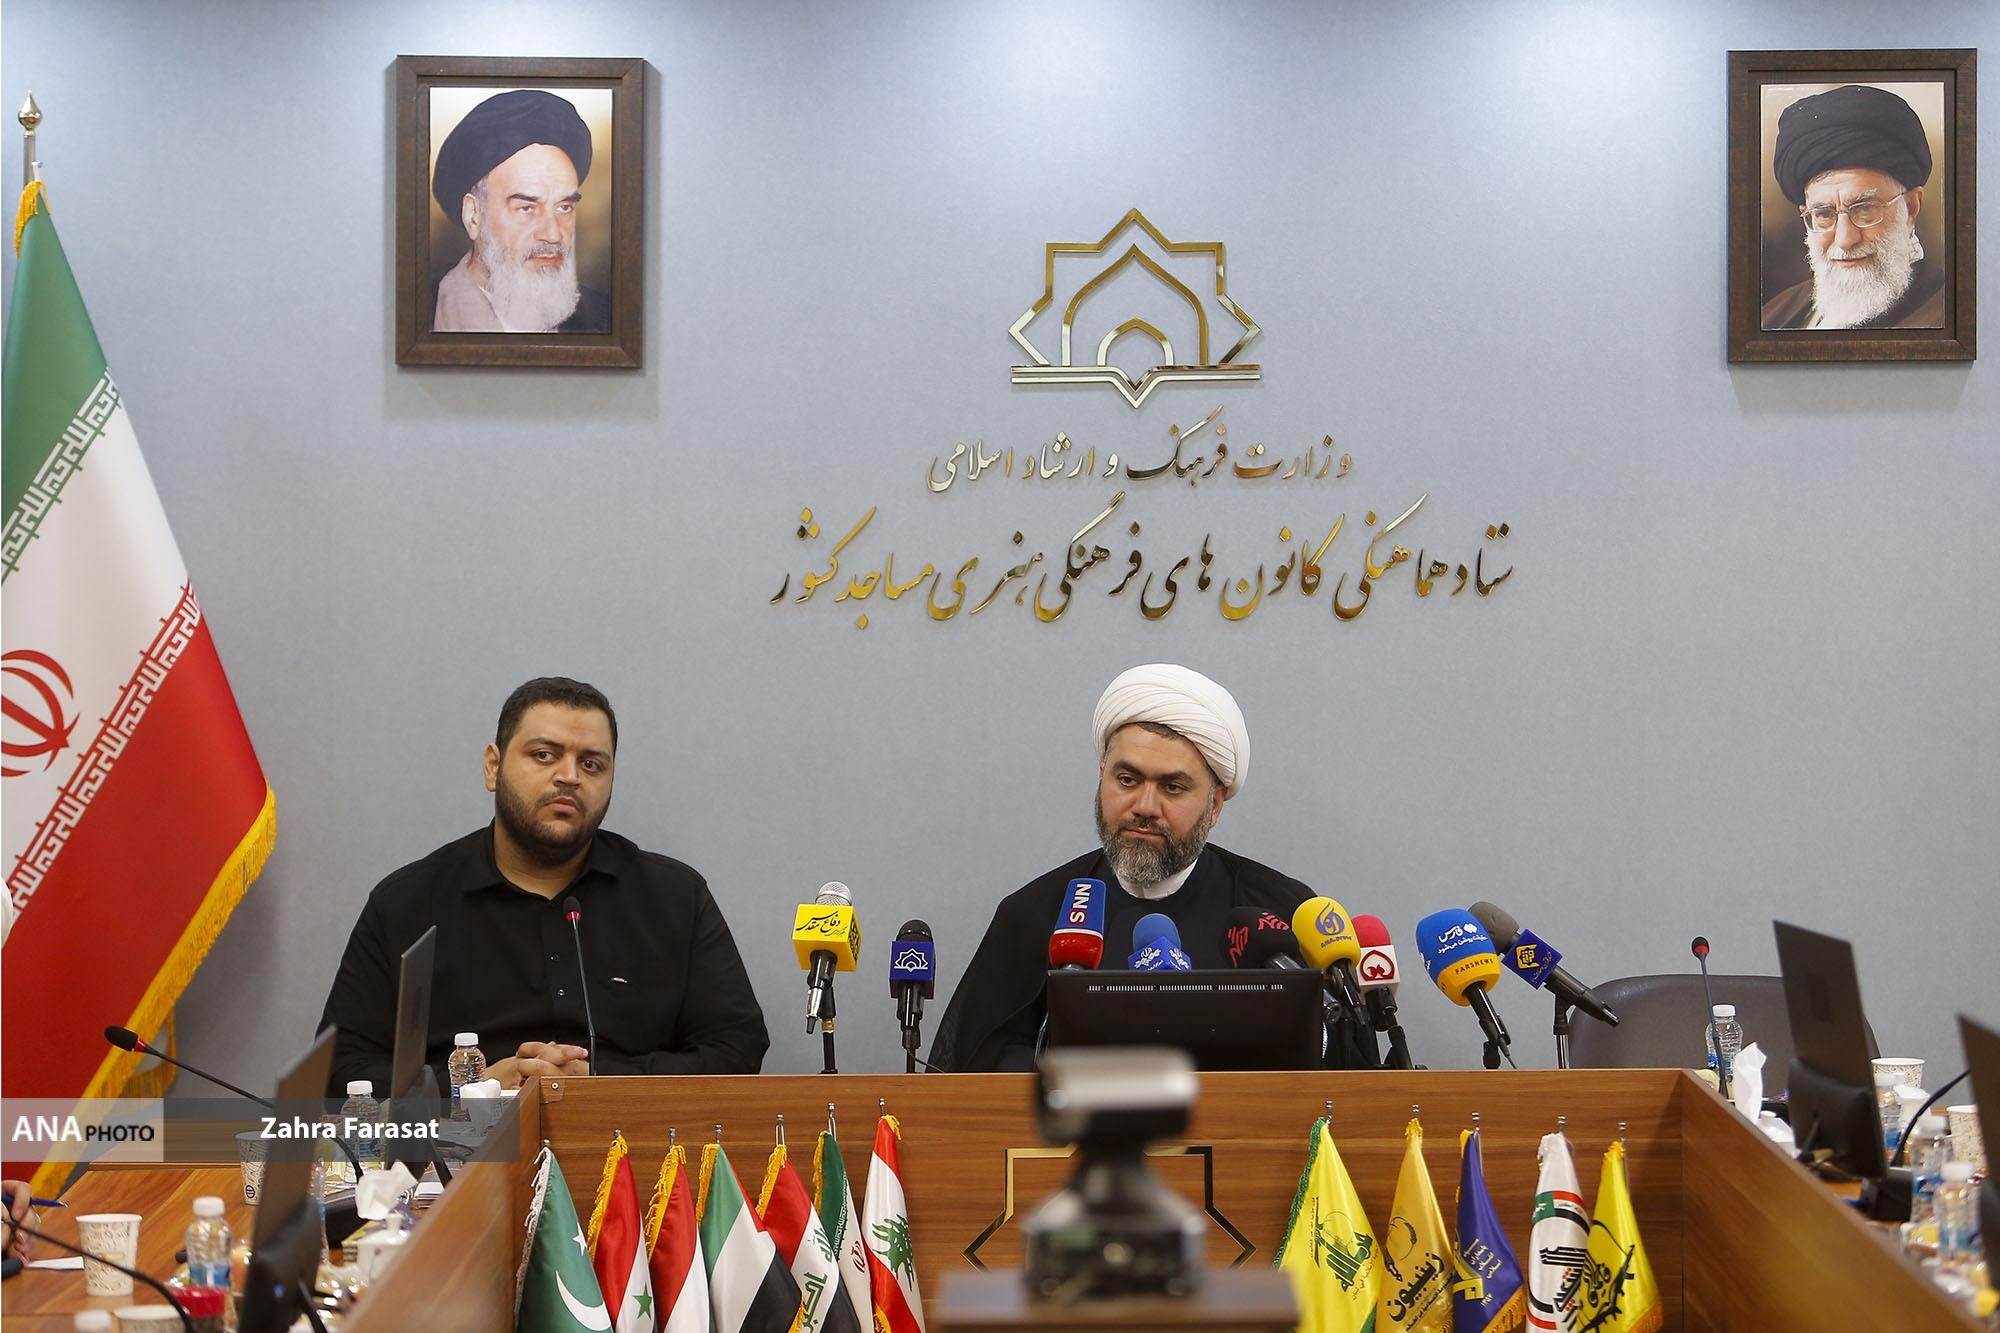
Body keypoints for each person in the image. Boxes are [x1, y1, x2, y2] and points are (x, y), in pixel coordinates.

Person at [318, 677, 767, 1095]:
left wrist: (597, 1080)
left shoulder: (674, 897)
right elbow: (340, 1069)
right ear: (493, 766)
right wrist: (474, 1086)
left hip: (629, 1141)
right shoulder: (408, 903)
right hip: (462, 1145)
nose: (570, 776)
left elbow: (737, 1047)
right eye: (544, 755)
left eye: (591, 764)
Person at [930, 664, 1325, 1073]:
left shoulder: (1278, 913)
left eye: (1172, 787)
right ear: (1102, 776)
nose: (1144, 807)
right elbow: (968, 1075)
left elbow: (1338, 1075)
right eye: (1127, 779)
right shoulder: (1034, 914)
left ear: (1215, 804)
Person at [1761, 84, 1943, 331]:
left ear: (1910, 208)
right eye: (1823, 214)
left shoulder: (1949, 319)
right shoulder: (1773, 315)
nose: (1845, 240)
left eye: (1865, 209)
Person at [429, 89, 612, 334]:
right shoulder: (420, 315)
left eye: (564, 207)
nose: (553, 234)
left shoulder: (606, 318)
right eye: (526, 208)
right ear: (473, 216)